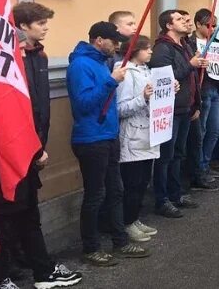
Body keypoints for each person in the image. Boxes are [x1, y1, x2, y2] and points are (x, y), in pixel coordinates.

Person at [0, 4, 83, 288]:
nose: (45, 27)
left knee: (28, 213)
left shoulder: (37, 56)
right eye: (40, 23)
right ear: (21, 26)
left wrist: (37, 146)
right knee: (3, 216)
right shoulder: (1, 62)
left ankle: (42, 271)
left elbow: (36, 108)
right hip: (3, 152)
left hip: (30, 149)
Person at [67, 22, 150, 266]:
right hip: (91, 139)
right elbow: (83, 104)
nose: (117, 47)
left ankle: (120, 241)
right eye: (113, 42)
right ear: (98, 40)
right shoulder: (80, 65)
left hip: (108, 135)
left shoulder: (101, 62)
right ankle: (90, 248)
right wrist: (110, 81)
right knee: (95, 195)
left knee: (116, 191)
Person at [149, 10, 205, 219]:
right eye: (180, 19)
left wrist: (196, 103)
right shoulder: (162, 48)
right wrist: (190, 65)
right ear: (169, 25)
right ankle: (161, 199)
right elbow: (165, 78)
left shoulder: (185, 45)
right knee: (166, 156)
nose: (185, 22)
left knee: (179, 153)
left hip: (186, 107)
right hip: (170, 110)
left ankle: (176, 193)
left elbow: (191, 78)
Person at [116, 35, 167, 244]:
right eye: (147, 49)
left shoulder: (146, 71)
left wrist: (166, 92)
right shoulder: (126, 72)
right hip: (133, 135)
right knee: (133, 183)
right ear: (135, 50)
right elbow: (121, 108)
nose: (151, 52)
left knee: (143, 181)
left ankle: (135, 218)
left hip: (148, 134)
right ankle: (127, 222)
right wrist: (143, 98)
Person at [189, 9, 219, 183]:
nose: (213, 29)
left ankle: (205, 163)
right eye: (209, 25)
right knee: (200, 131)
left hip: (214, 88)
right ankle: (198, 169)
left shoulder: (216, 42)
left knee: (215, 129)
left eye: (215, 25)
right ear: (198, 25)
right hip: (200, 91)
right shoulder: (189, 43)